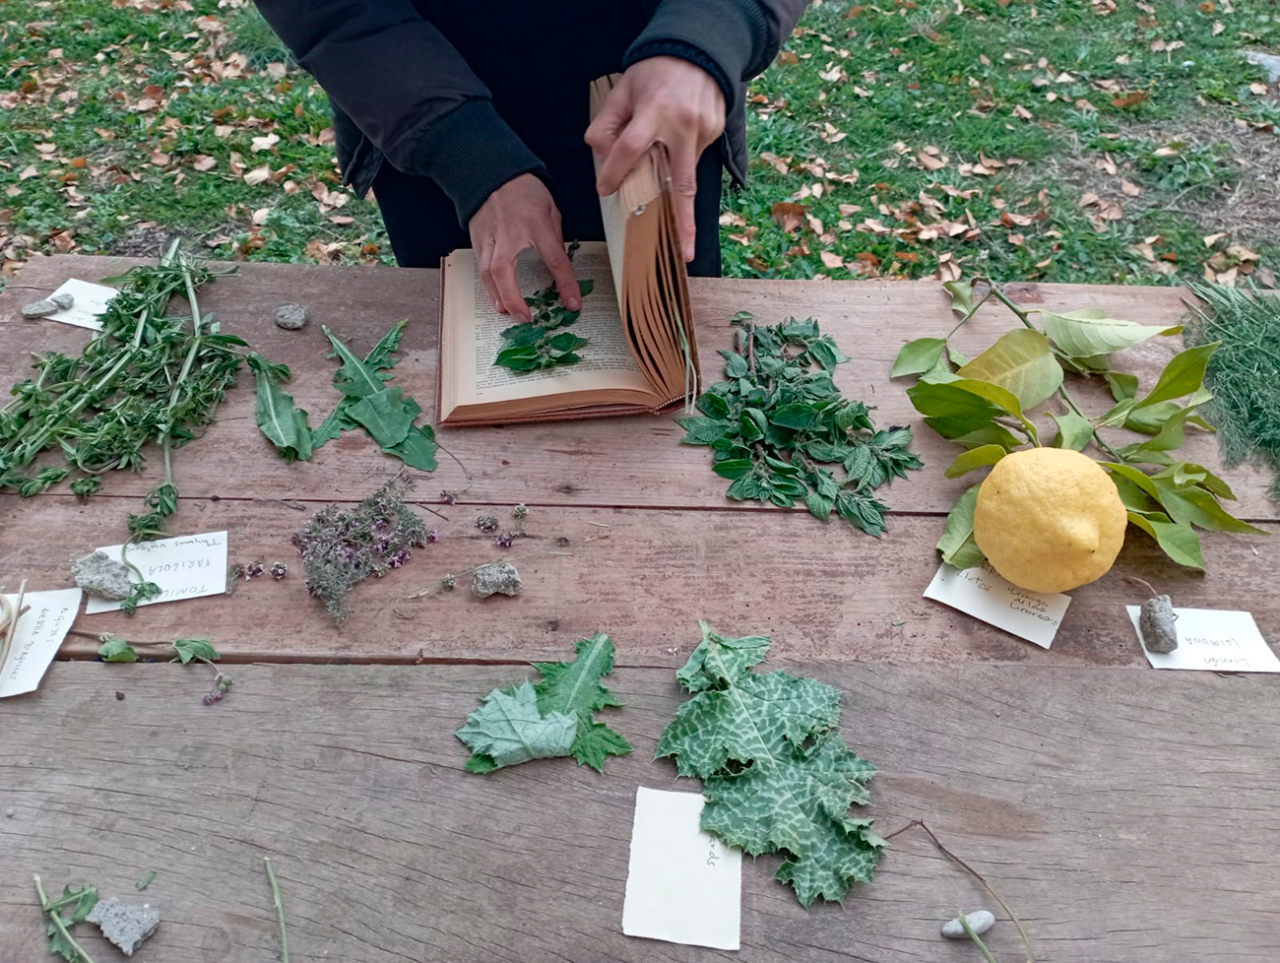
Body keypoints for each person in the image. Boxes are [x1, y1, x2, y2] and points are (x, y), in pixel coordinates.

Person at [254, 1, 808, 321]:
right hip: (424, 119)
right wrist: (466, 153)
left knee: (666, 346)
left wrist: (713, 32)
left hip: (654, 112)